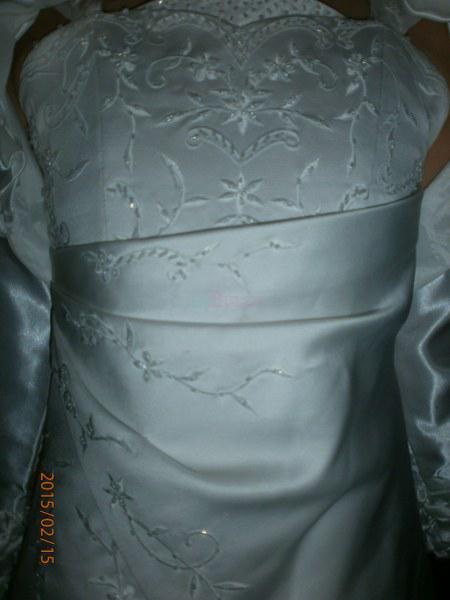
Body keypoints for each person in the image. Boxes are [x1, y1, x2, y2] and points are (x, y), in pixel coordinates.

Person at [0, 1, 449, 598]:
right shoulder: (418, 71)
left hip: (91, 547)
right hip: (346, 548)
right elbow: (431, 346)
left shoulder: (50, 61)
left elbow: (25, 338)